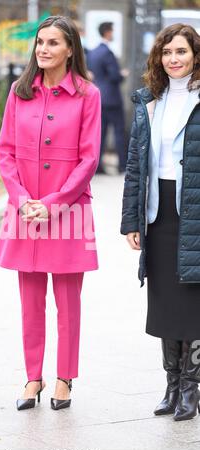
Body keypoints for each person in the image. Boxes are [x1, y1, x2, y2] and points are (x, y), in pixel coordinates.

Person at [0, 15, 100, 411]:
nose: (43, 49)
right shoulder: (19, 92)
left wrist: (54, 203)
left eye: (53, 43)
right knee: (30, 300)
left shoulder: (89, 95)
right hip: (24, 210)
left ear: (70, 49)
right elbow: (5, 152)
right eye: (40, 42)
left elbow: (89, 159)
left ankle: (64, 379)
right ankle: (32, 378)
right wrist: (22, 199)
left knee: (68, 303)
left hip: (69, 209)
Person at [121, 24, 200, 421]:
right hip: (159, 211)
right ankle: (171, 385)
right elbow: (136, 164)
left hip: (195, 210)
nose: (174, 58)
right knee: (165, 300)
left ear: (195, 55)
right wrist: (131, 221)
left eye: (182, 51)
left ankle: (191, 386)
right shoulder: (151, 100)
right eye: (168, 52)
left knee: (193, 301)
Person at [87, 22, 128, 174]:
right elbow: (114, 76)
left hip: (98, 97)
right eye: (112, 30)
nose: (113, 33)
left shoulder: (93, 52)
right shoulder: (108, 53)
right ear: (107, 32)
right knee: (118, 132)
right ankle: (122, 165)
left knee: (100, 133)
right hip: (112, 97)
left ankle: (98, 167)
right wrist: (122, 74)